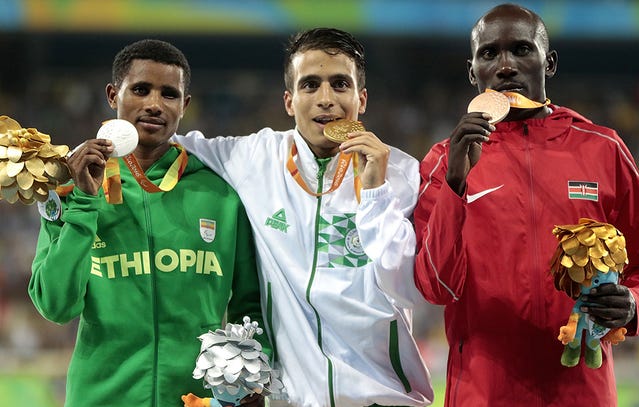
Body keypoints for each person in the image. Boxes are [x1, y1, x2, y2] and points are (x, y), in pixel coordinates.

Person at [173, 28, 433, 407]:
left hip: (387, 398)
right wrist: (71, 160)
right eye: (310, 85)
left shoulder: (405, 175)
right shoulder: (253, 159)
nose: (325, 99)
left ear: (361, 98)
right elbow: (160, 142)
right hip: (293, 400)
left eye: (339, 84)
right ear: (289, 101)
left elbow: (411, 290)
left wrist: (375, 190)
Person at [413, 3, 639, 406]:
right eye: (489, 53)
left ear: (548, 62)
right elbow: (434, 286)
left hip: (581, 392)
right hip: (483, 393)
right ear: (473, 72)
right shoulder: (445, 160)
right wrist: (455, 185)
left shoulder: (604, 150)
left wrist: (633, 305)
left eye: (521, 49)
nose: (505, 66)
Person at [28, 39, 267, 407]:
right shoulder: (72, 188)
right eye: (140, 90)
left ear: (184, 105)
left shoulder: (221, 194)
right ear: (113, 95)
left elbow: (249, 304)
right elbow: (55, 307)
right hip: (100, 398)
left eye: (169, 94)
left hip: (196, 400)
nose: (154, 104)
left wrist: (250, 380)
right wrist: (85, 206)